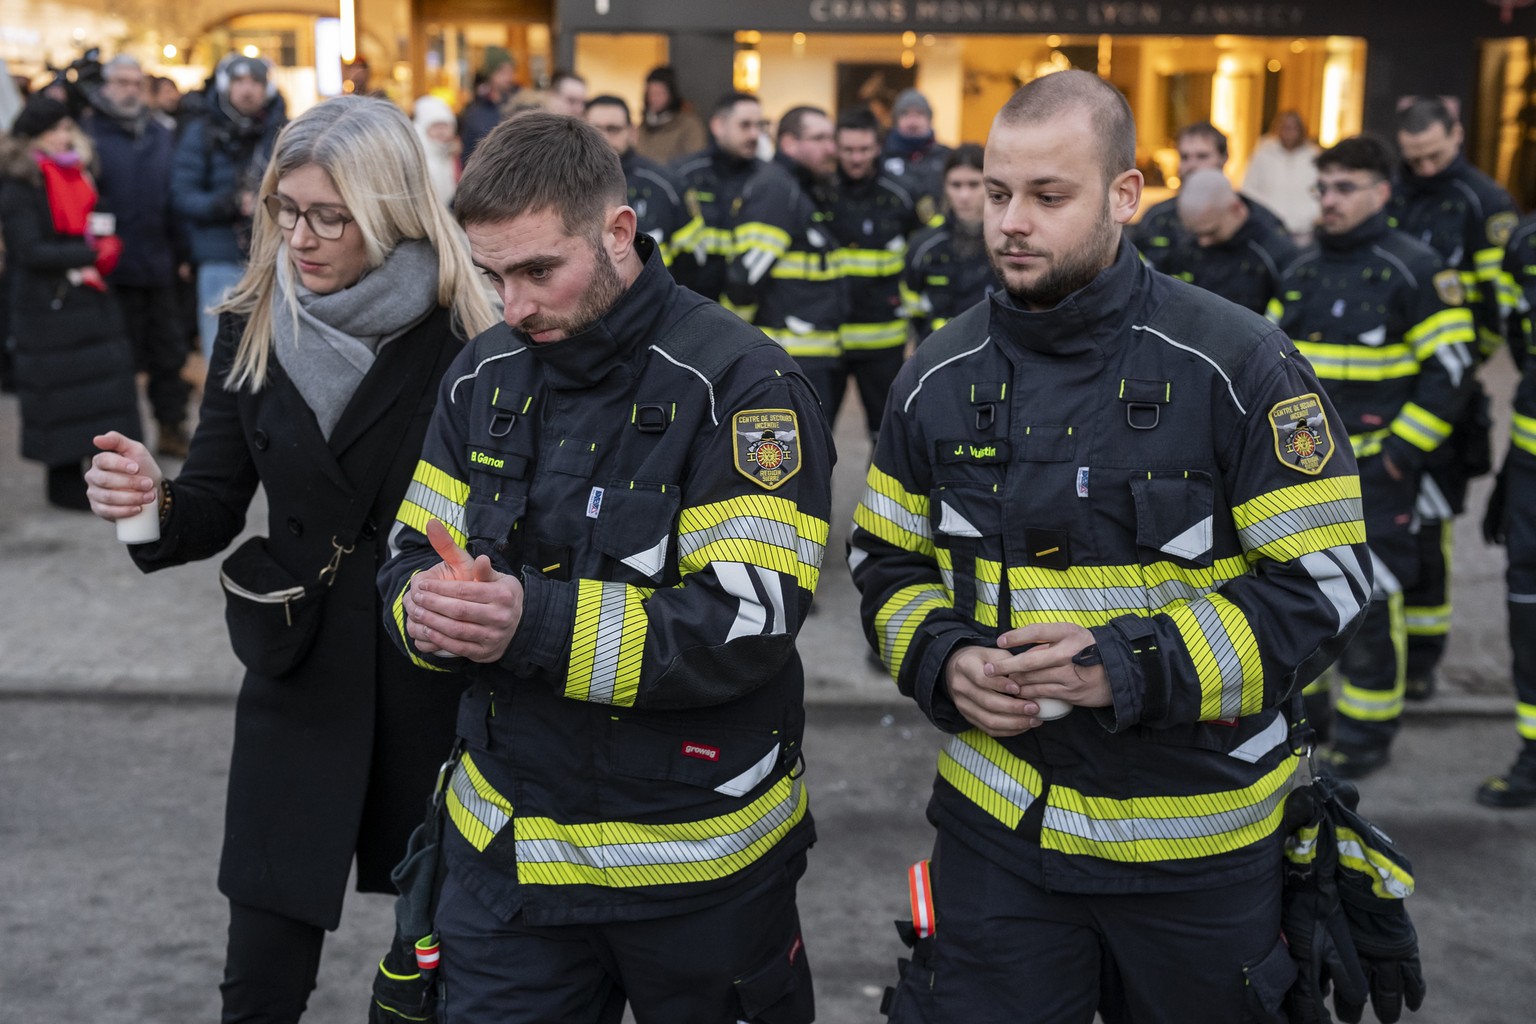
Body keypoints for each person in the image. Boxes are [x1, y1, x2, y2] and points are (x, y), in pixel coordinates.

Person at [849, 69, 1369, 1022]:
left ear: (1125, 195)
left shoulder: (1240, 364)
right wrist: (942, 656)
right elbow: (885, 563)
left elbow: (1324, 588)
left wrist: (1126, 665)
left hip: (1197, 853)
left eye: (1049, 197)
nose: (1011, 223)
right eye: (998, 193)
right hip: (1000, 840)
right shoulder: (935, 377)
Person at [377, 111, 832, 1023]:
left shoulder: (744, 389)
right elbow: (405, 557)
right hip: (505, 870)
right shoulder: (481, 375)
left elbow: (746, 623)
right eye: (493, 275)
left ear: (618, 232)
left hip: (697, 879)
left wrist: (529, 623)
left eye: (539, 271)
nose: (513, 307)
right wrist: (425, 613)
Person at [84, 96, 497, 1023]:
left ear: (390, 211)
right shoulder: (255, 318)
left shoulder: (472, 332)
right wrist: (149, 501)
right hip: (298, 668)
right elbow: (211, 503)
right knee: (259, 980)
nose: (299, 238)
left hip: (436, 674)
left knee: (447, 974)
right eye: (285, 209)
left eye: (328, 217)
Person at [1269, 135, 1475, 778]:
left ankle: (1367, 735)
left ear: (1381, 192)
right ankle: (1313, 718)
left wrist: (1400, 454)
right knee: (1302, 594)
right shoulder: (1301, 269)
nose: (1328, 200)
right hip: (1304, 472)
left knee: (1374, 601)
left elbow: (1453, 369)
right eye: (1323, 188)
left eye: (1344, 188)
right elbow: (1273, 367)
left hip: (1378, 471)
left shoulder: (1418, 269)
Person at [1389, 95, 1518, 702]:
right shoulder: (1394, 190)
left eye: (1434, 156)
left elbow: (1500, 306)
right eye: (1414, 157)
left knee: (1429, 530)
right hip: (1390, 378)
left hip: (1448, 386)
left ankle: (1422, 661)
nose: (1425, 168)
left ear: (1457, 134)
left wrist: (1463, 365)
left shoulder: (1484, 203)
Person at [0, 94, 138, 509]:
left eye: (66, 128)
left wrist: (106, 245)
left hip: (87, 299)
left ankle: (98, 473)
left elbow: (97, 219)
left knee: (96, 394)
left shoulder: (80, 173)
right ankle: (62, 482)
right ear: (33, 136)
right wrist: (89, 253)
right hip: (47, 307)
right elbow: (28, 250)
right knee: (58, 395)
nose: (64, 136)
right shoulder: (20, 182)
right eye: (54, 130)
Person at [85, 54, 191, 457]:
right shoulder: (89, 133)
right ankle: (118, 442)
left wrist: (182, 252)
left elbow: (174, 197)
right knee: (119, 361)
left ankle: (171, 428)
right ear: (106, 86)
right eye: (122, 82)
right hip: (112, 267)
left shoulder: (161, 133)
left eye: (136, 83)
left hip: (158, 261)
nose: (130, 90)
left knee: (169, 353)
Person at [730, 105, 848, 410]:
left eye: (831, 138)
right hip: (789, 359)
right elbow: (746, 278)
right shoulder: (776, 188)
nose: (831, 148)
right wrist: (733, 345)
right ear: (789, 143)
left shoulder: (800, 187)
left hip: (809, 355)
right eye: (819, 138)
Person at [172, 53, 285, 360]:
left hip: (273, 254)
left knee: (273, 350)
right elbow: (182, 195)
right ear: (226, 86)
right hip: (219, 255)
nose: (247, 89)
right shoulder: (201, 131)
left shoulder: (282, 131)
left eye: (255, 82)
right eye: (239, 81)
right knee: (221, 349)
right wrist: (228, 203)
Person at [1480, 212, 1536, 807]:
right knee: (1528, 615)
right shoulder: (1525, 243)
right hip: (1529, 470)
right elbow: (1520, 342)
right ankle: (1533, 758)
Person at [827, 105, 920, 445]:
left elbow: (921, 254)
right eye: (848, 149)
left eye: (864, 149)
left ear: (878, 147)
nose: (856, 158)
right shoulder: (817, 191)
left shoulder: (901, 194)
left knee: (886, 439)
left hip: (883, 340)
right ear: (835, 147)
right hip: (827, 340)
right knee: (813, 437)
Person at [1130, 121, 1283, 273]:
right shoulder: (1157, 219)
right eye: (1185, 157)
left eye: (1202, 156)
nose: (1192, 165)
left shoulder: (1257, 219)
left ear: (1224, 158)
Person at [583, 93, 698, 267]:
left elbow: (691, 261)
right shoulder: (562, 184)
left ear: (632, 133)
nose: (604, 138)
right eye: (595, 130)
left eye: (613, 129)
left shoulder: (666, 185)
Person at [669, 90, 763, 303]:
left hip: (747, 306)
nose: (754, 135)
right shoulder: (683, 174)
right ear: (718, 126)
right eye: (745, 125)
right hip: (689, 301)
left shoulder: (768, 180)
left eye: (759, 126)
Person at [1164, 166, 1298, 314]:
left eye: (1211, 232)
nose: (1203, 242)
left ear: (1236, 209)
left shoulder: (1273, 250)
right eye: (1196, 233)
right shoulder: (1185, 241)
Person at [902, 143, 992, 342]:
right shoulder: (924, 246)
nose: (964, 196)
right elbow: (914, 313)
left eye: (974, 184)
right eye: (956, 185)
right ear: (944, 186)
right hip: (937, 351)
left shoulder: (1006, 242)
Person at [1241, 110, 1321, 245]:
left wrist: (1313, 215)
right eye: (1284, 127)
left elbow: (1320, 190)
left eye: (1293, 128)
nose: (1288, 133)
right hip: (1270, 230)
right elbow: (1249, 189)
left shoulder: (1313, 156)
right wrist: (1264, 216)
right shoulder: (1263, 154)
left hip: (1305, 230)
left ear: (1301, 130)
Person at [880, 87, 949, 221]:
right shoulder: (881, 156)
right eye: (905, 114)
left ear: (929, 119)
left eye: (919, 114)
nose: (912, 122)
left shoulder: (946, 157)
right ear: (895, 120)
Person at [635, 65, 706, 165]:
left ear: (671, 95)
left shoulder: (689, 125)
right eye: (651, 93)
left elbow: (695, 161)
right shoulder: (642, 127)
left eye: (659, 93)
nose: (654, 98)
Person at [460, 55, 518, 165]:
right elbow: (467, 154)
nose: (508, 77)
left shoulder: (521, 105)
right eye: (502, 72)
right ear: (491, 74)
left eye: (511, 72)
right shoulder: (475, 111)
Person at [413, 94, 460, 207]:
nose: (441, 131)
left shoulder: (452, 156)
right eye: (435, 126)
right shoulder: (418, 162)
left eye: (445, 125)